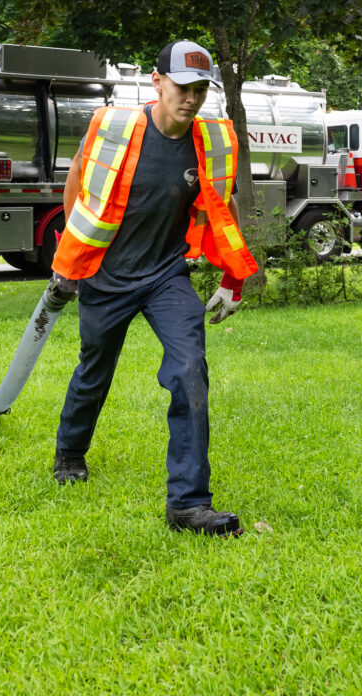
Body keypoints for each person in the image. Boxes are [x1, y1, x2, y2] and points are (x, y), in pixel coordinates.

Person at [48, 39, 258, 536]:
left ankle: (187, 503)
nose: (191, 98)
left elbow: (218, 216)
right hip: (107, 276)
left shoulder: (213, 142)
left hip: (167, 275)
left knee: (190, 369)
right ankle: (70, 452)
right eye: (182, 87)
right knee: (94, 371)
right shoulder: (113, 129)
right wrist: (72, 262)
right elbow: (78, 182)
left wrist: (233, 279)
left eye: (200, 89)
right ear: (156, 81)